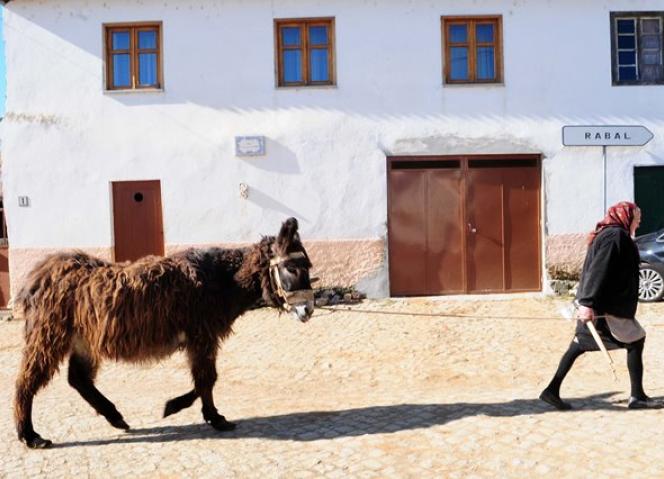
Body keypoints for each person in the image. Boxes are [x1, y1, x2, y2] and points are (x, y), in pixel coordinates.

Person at [540, 201, 661, 410]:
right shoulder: (616, 236)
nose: (638, 224)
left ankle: (551, 390)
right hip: (607, 306)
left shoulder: (610, 234)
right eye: (637, 219)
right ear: (626, 217)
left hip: (602, 304)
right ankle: (638, 397)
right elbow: (598, 270)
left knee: (579, 344)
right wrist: (587, 303)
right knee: (635, 339)